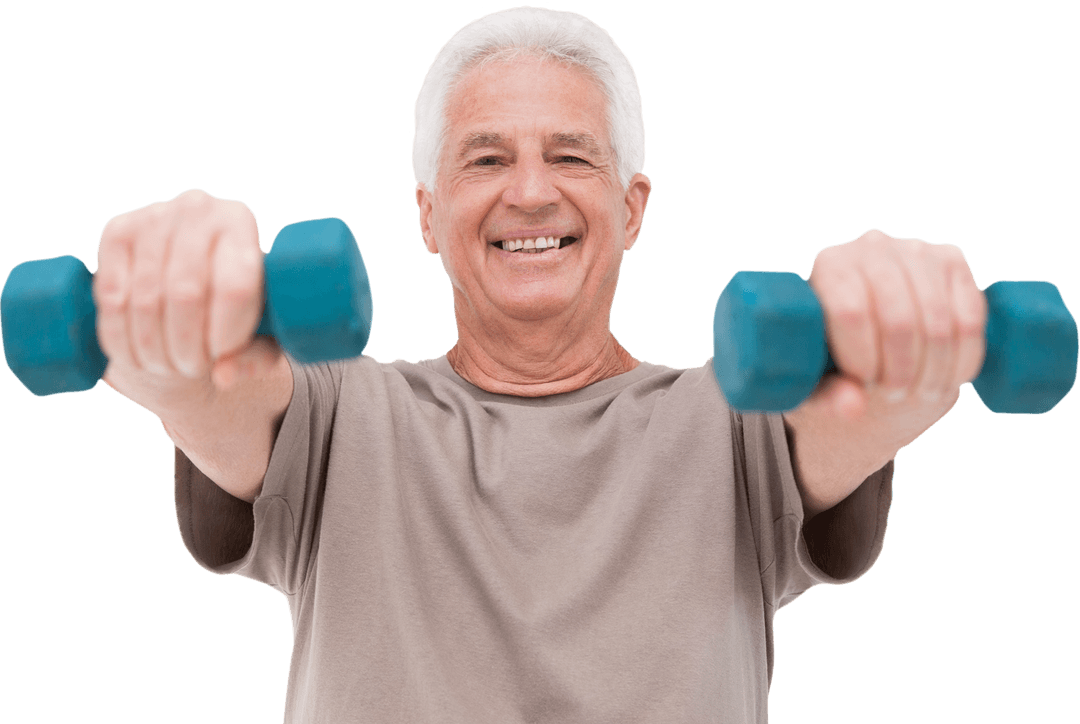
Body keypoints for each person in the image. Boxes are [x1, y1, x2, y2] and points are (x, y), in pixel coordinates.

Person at [91, 6, 987, 722]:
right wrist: (177, 337)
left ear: (631, 208)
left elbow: (843, 420)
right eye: (487, 159)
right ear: (428, 214)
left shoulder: (737, 419)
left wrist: (899, 344)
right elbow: (224, 399)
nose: (529, 191)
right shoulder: (337, 413)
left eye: (569, 156)